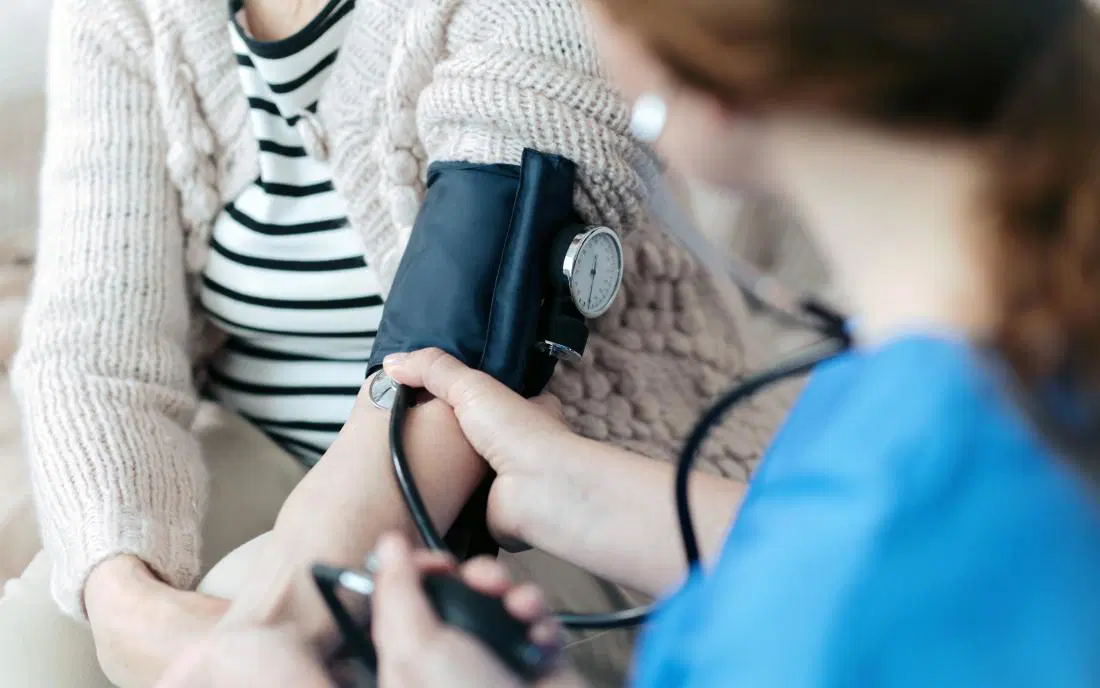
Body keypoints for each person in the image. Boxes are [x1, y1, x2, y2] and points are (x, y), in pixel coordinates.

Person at [161, 0, 1100, 684]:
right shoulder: (951, 408)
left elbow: (860, 586)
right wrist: (569, 485)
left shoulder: (851, 563)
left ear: (711, 80)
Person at [0, 0, 787, 685]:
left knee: (269, 610)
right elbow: (91, 347)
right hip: (266, 447)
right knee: (42, 635)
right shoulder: (128, 12)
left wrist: (264, 625)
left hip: (540, 480)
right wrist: (128, 609)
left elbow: (463, 342)